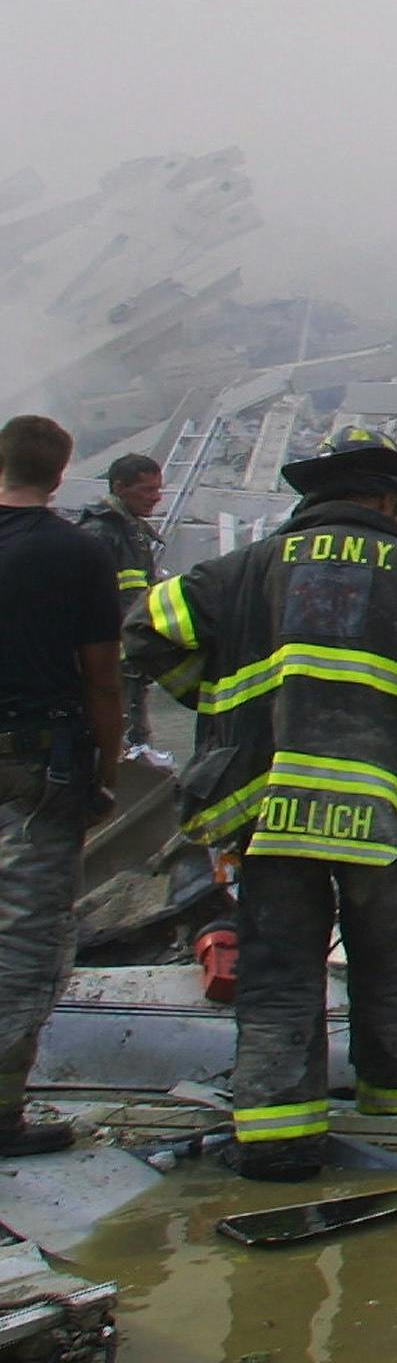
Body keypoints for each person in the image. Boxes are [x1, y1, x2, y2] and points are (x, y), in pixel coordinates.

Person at [123, 425, 397, 1179]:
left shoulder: (245, 568)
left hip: (274, 810)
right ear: (389, 498)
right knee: (395, 961)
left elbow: (144, 635)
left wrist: (223, 702)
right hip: (380, 813)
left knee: (278, 967)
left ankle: (276, 1139)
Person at [0, 416, 126, 1157]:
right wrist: (104, 777)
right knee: (22, 937)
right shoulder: (77, 553)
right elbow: (102, 679)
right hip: (34, 766)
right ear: (63, 471)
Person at [72, 452, 164, 749]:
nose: (156, 498)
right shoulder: (99, 533)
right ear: (120, 487)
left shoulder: (130, 531)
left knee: (134, 742)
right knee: (119, 744)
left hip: (129, 660)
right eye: (147, 490)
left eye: (158, 489)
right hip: (110, 664)